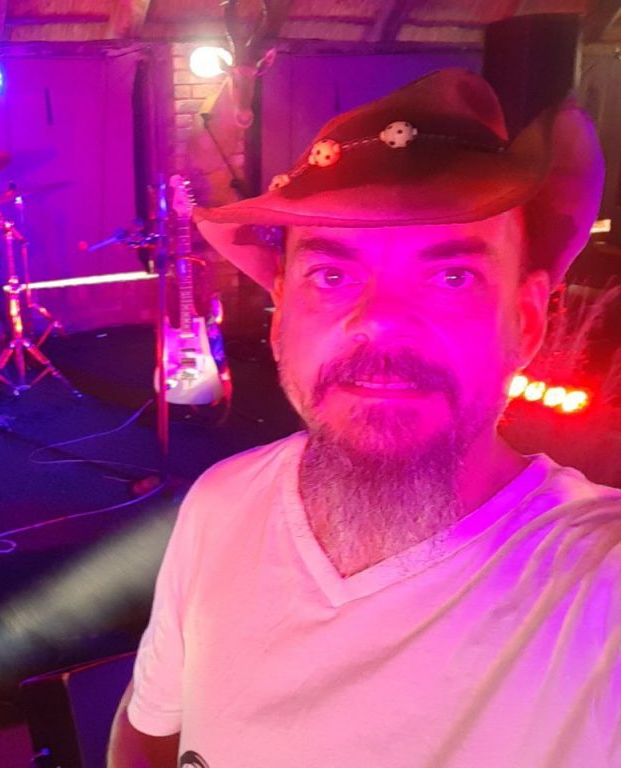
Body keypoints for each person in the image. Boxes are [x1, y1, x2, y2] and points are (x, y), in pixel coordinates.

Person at [108, 68, 621, 767]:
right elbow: (148, 730)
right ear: (281, 318)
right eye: (332, 275)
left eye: (451, 277)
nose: (379, 321)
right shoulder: (218, 505)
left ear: (526, 323)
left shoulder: (596, 589)